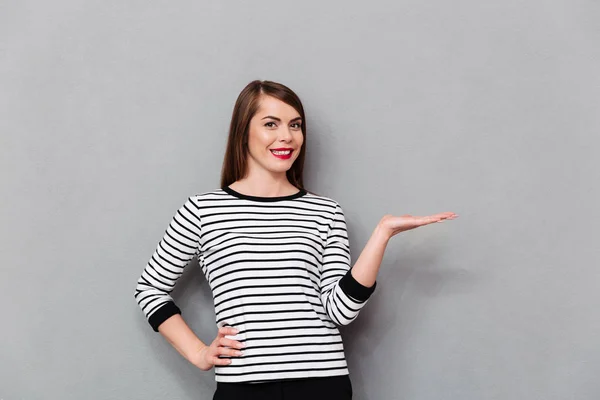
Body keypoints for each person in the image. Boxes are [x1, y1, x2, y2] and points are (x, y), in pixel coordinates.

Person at [133, 80, 458, 399]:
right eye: (271, 124)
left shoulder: (325, 212)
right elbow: (149, 289)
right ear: (243, 131)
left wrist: (382, 234)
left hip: (324, 383)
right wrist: (199, 353)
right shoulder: (203, 210)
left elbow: (339, 311)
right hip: (244, 388)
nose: (286, 136)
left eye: (295, 125)